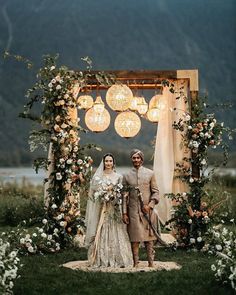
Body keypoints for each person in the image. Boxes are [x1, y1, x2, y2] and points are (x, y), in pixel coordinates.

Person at [85, 153, 133, 268]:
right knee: (102, 230)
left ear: (113, 163)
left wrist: (114, 196)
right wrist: (103, 196)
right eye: (106, 161)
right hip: (103, 209)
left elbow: (122, 194)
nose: (108, 163)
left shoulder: (119, 177)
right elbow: (93, 195)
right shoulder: (98, 178)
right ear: (103, 162)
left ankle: (119, 258)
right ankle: (102, 258)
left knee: (117, 231)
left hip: (114, 209)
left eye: (110, 161)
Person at [122, 149, 160, 267]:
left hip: (147, 211)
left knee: (149, 239)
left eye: (138, 158)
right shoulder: (127, 176)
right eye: (134, 158)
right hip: (132, 210)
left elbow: (156, 192)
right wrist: (124, 213)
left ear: (142, 159)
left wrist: (150, 205)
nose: (136, 160)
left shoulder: (150, 173)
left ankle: (151, 263)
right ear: (131, 159)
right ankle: (135, 263)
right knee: (135, 238)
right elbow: (124, 196)